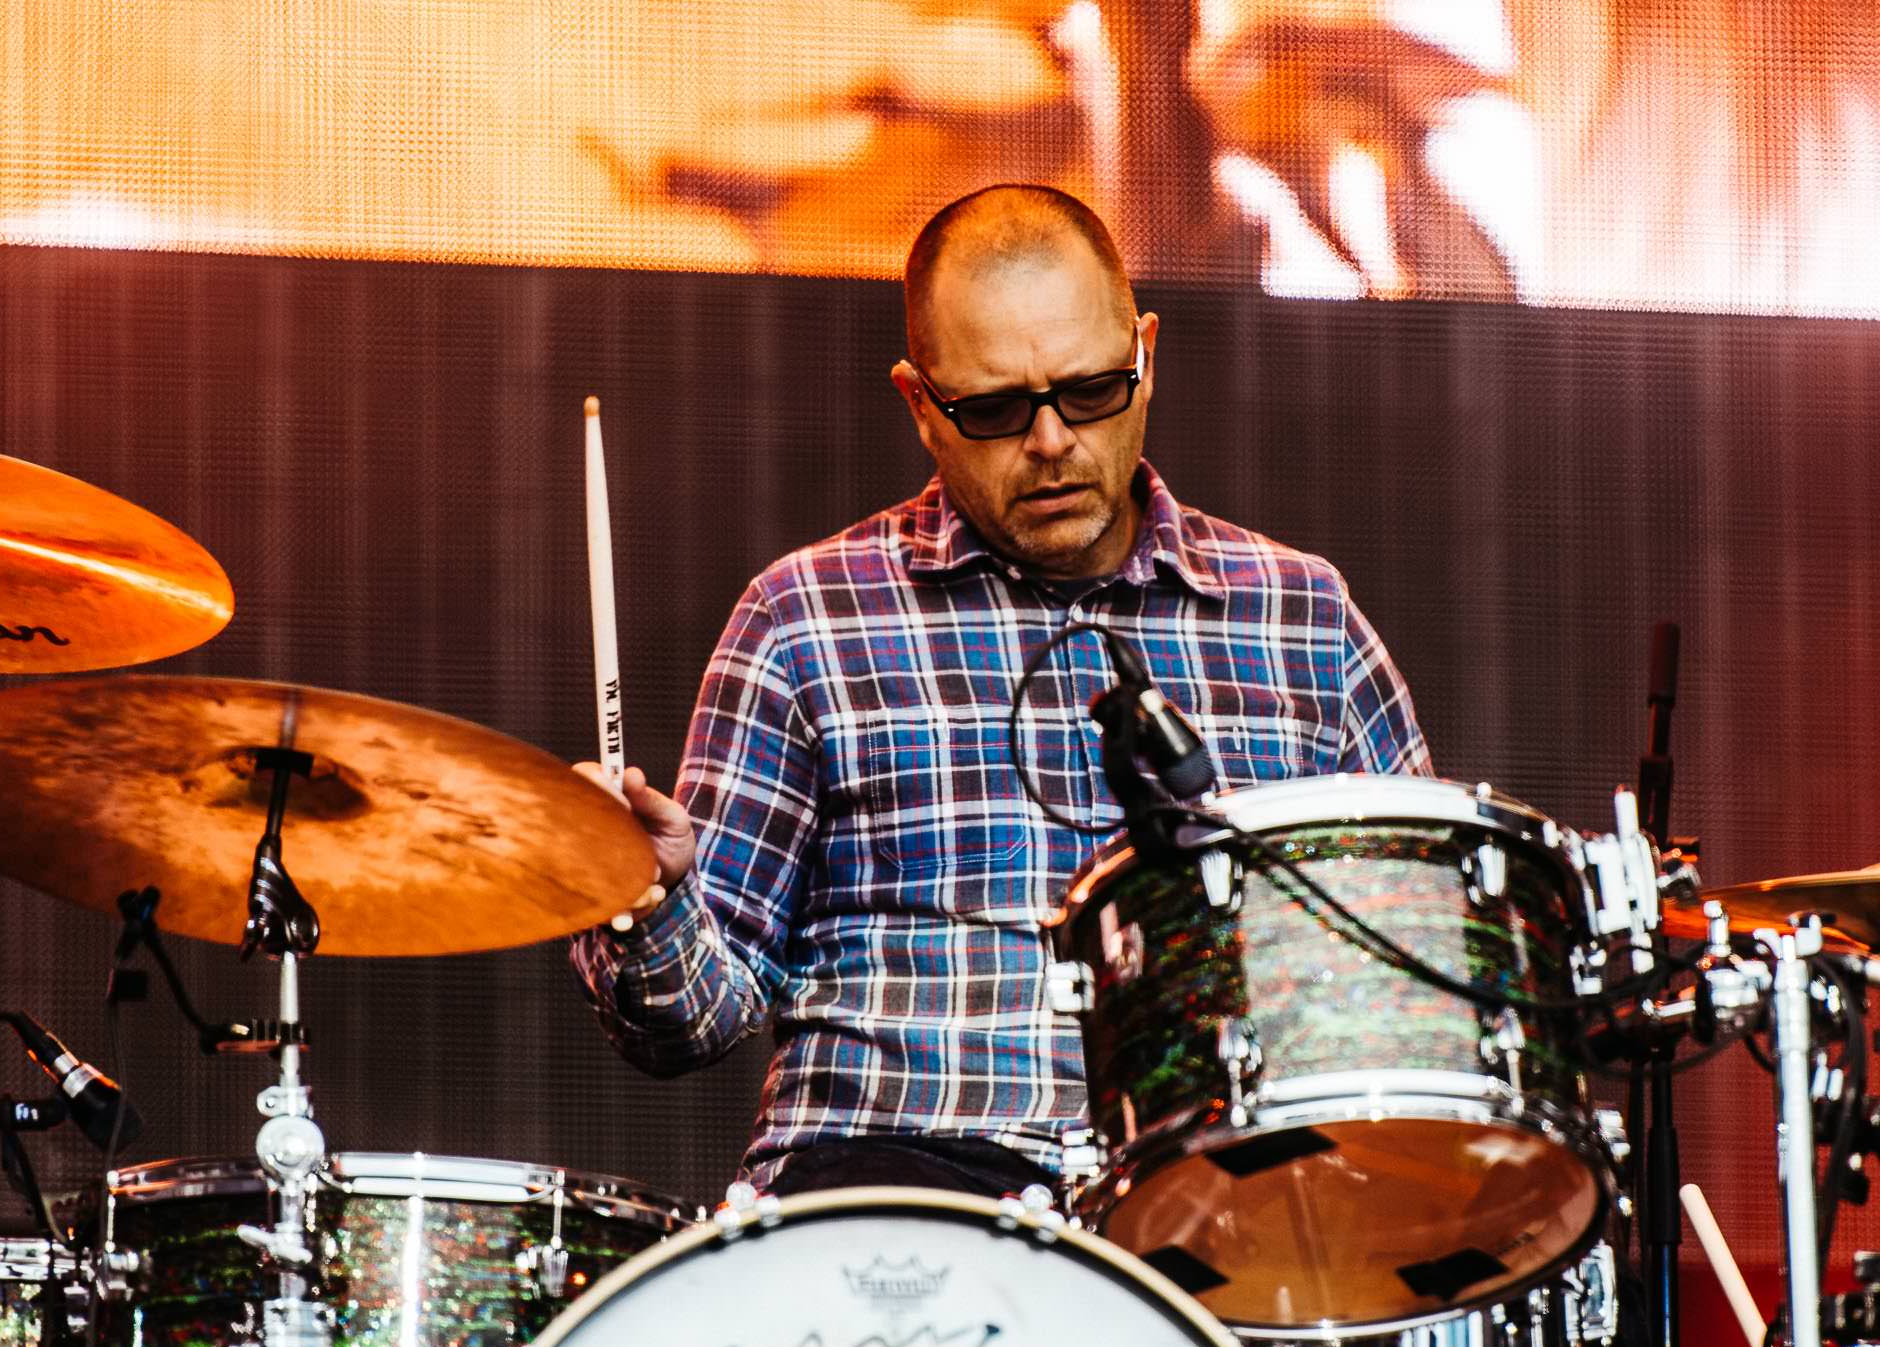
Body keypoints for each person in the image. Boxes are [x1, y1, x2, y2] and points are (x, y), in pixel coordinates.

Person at [572, 183, 1431, 1199]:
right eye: (994, 408)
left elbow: (1417, 989)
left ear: (1145, 354)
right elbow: (694, 1025)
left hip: (1215, 1230)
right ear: (919, 406)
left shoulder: (1304, 622)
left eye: (1090, 391)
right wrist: (643, 897)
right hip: (884, 1229)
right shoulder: (804, 618)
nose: (1053, 439)